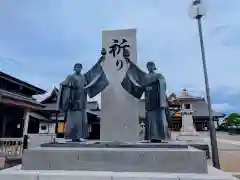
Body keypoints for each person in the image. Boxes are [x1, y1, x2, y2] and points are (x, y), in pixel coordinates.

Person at [57, 48, 108, 142]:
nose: (78, 68)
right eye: (77, 67)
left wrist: (100, 61)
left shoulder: (84, 77)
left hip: (82, 100)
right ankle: (72, 136)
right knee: (73, 119)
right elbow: (64, 85)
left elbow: (93, 71)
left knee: (81, 119)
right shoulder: (70, 77)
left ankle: (79, 136)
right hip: (73, 100)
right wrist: (68, 97)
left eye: (80, 67)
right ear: (74, 68)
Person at [121, 49, 170, 142]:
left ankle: (159, 137)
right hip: (149, 101)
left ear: (154, 67)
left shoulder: (159, 76)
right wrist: (128, 61)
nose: (149, 67)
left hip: (157, 100)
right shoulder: (145, 77)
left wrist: (156, 88)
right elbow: (136, 71)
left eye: (151, 66)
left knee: (158, 119)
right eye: (148, 66)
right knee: (150, 119)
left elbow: (163, 84)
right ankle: (151, 137)